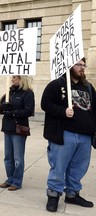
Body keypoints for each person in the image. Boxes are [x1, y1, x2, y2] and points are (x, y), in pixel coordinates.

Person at [41, 58, 96, 212]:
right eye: (79, 65)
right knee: (58, 167)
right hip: (64, 134)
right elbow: (45, 104)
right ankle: (53, 195)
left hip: (85, 136)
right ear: (70, 66)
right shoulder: (57, 85)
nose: (82, 68)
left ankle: (72, 194)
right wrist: (63, 111)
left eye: (83, 65)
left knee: (78, 168)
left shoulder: (88, 87)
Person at [0, 76, 35, 191]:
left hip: (19, 128)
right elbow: (2, 108)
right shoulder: (10, 92)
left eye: (14, 77)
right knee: (8, 157)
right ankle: (10, 178)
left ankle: (17, 181)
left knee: (18, 158)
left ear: (21, 79)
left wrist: (13, 113)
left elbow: (29, 111)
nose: (12, 79)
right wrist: (3, 107)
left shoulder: (28, 93)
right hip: (8, 127)